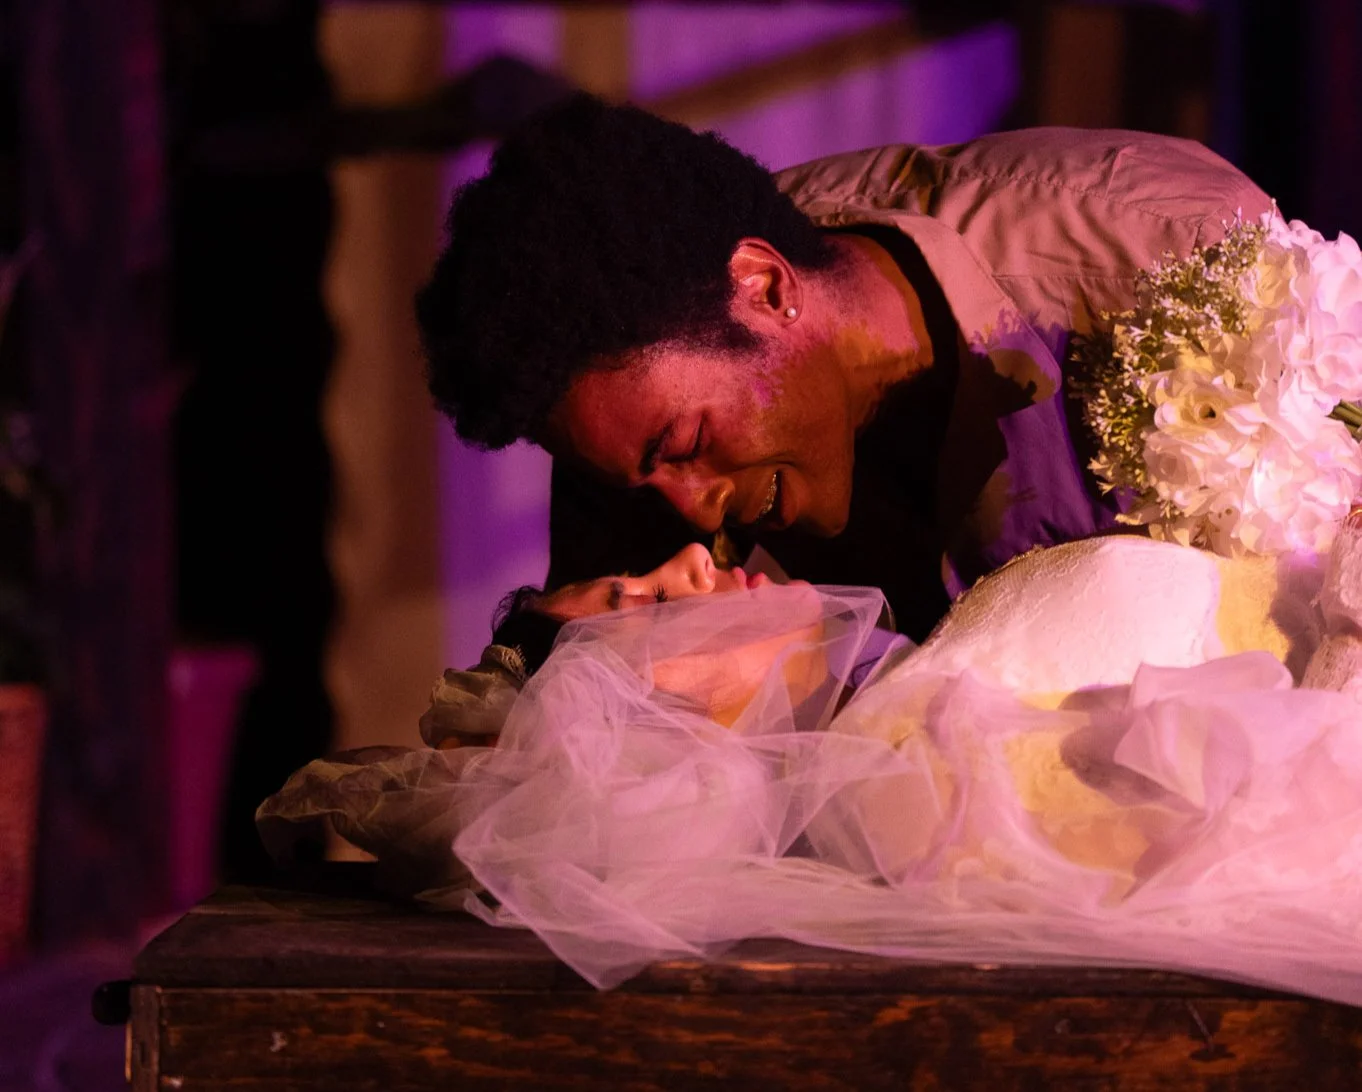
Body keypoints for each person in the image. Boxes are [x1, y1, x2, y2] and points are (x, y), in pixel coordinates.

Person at [258, 523, 1362, 1003]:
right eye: (633, 608)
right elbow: (1265, 839)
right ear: (643, 732)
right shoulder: (912, 777)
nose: (691, 559)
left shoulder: (916, 697)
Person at [415, 94, 1273, 638]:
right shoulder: (628, 406)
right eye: (645, 479)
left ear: (765, 287)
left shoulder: (1166, 260)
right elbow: (588, 722)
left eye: (687, 443)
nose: (688, 509)